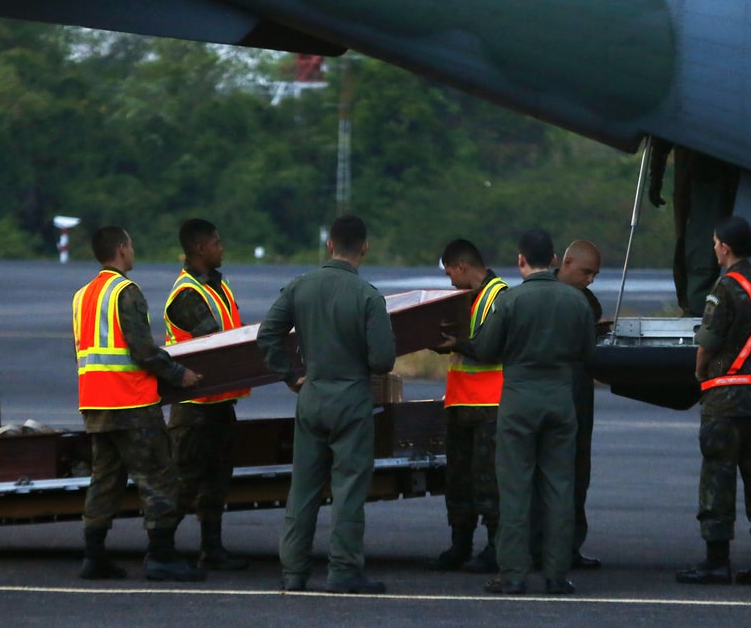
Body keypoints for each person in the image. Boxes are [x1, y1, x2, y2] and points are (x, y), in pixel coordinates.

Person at [441, 229, 595, 595]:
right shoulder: (577, 302)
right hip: (560, 398)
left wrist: (455, 344)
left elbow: (488, 347)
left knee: (514, 487)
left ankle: (512, 574)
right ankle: (557, 574)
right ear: (555, 260)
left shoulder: (511, 301)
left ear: (521, 261)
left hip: (519, 400)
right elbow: (587, 354)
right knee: (559, 486)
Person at [256, 215, 396, 594]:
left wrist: (289, 375)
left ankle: (294, 572)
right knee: (349, 488)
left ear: (330, 245)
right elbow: (383, 359)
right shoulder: (367, 295)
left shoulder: (300, 287)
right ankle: (343, 570)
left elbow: (267, 335)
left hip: (312, 393)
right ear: (363, 247)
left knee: (303, 487)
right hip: (351, 397)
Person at [72, 226, 205, 582]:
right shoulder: (125, 291)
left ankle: (93, 556)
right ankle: (161, 557)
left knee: (105, 480)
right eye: (130, 244)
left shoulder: (82, 295)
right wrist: (180, 375)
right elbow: (143, 351)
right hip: (130, 403)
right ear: (120, 249)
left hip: (96, 404)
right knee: (159, 477)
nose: (133, 250)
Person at [676, 216, 751, 586]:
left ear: (724, 246)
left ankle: (716, 560)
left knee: (718, 477)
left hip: (727, 397)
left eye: (714, 242)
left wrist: (701, 373)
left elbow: (707, 341)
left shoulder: (723, 288)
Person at [163, 219, 250, 571]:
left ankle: (211, 548)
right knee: (184, 484)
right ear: (200, 249)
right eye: (216, 242)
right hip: (194, 409)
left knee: (216, 482)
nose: (221, 247)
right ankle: (161, 549)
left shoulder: (216, 286)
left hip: (218, 404)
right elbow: (218, 341)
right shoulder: (187, 294)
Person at [427, 239, 507, 574]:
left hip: (490, 404)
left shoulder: (500, 296)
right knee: (458, 479)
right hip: (460, 401)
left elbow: (490, 347)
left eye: (450, 274)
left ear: (461, 266)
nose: (450, 282)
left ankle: (495, 547)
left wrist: (456, 343)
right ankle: (460, 544)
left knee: (488, 480)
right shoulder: (465, 299)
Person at [530, 240, 607, 570]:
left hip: (576, 397)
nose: (590, 280)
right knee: (539, 475)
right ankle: (537, 547)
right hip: (548, 393)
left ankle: (569, 546)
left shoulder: (586, 301)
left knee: (576, 476)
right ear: (567, 263)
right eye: (586, 272)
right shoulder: (538, 293)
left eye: (595, 275)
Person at [648, 138, 742, 316]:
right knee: (699, 250)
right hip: (701, 176)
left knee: (703, 251)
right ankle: (696, 308)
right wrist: (656, 174)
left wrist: (656, 175)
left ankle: (697, 309)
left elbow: (662, 135)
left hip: (709, 177)